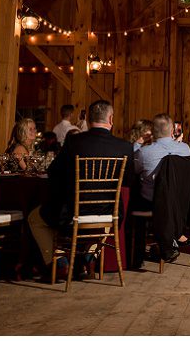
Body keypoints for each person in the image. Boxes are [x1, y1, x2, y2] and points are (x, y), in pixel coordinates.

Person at [28, 100, 132, 282]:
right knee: (109, 219)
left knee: (34, 218)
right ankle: (90, 254)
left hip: (73, 212)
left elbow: (53, 172)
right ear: (111, 118)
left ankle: (58, 260)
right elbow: (128, 181)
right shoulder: (124, 147)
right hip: (109, 213)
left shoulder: (74, 142)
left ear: (89, 119)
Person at [134, 113, 190, 205]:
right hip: (179, 204)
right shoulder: (185, 149)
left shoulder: (143, 152)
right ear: (172, 131)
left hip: (151, 203)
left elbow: (134, 170)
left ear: (152, 131)